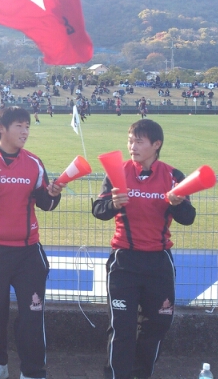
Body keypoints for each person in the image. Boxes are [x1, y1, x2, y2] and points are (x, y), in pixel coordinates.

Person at [0, 107, 63, 379]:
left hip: (28, 253)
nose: (25, 131)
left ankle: (32, 370)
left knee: (32, 314)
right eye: (19, 126)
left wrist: (54, 195)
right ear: (1, 128)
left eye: (27, 126)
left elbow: (46, 204)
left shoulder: (34, 163)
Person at [91, 119, 196, 379]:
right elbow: (98, 210)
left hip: (159, 263)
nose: (132, 147)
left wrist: (176, 204)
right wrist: (113, 204)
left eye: (139, 141)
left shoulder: (174, 176)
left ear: (156, 144)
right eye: (130, 141)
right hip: (124, 262)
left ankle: (141, 374)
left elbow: (188, 217)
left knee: (157, 325)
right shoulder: (117, 171)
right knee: (122, 328)